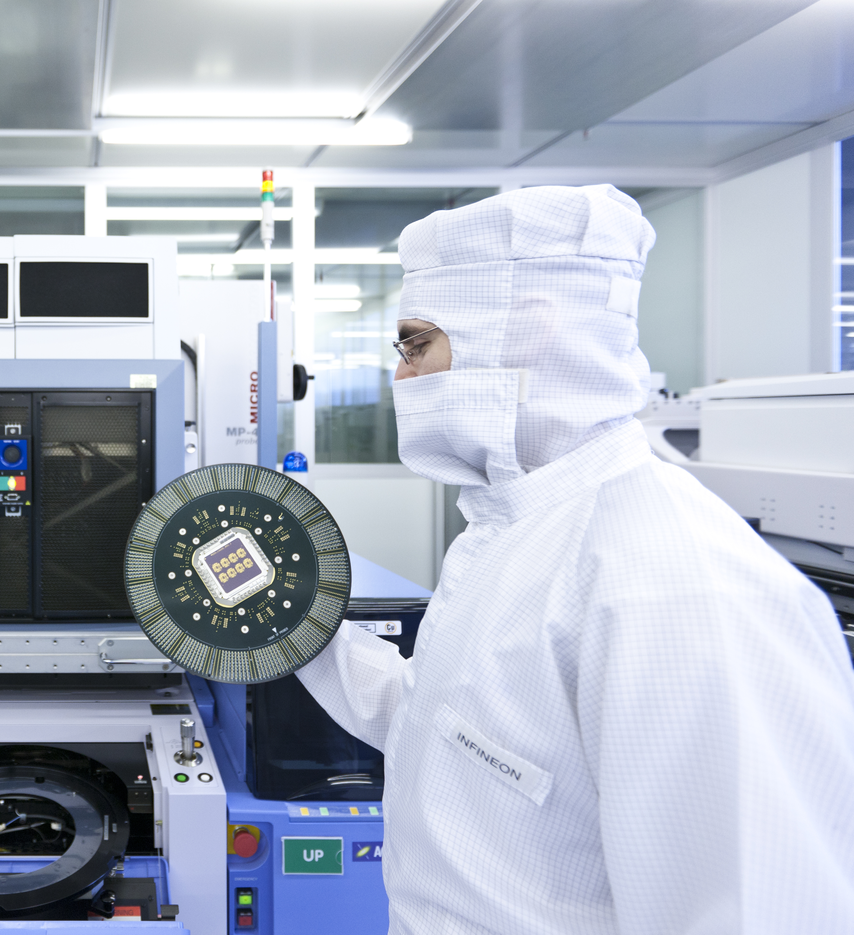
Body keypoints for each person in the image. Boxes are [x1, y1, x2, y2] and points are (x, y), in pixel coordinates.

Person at [297, 184, 854, 934]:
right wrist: (299, 629)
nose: (403, 376)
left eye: (417, 344)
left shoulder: (674, 586)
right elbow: (443, 731)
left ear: (529, 328)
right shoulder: (511, 532)